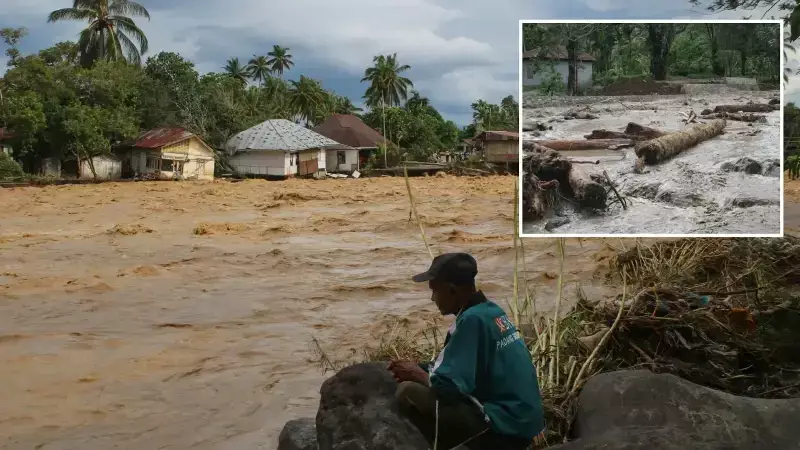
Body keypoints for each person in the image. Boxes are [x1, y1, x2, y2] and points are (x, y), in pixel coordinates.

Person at [389, 252, 544, 450]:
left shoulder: (471, 321)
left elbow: (449, 388)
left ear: (451, 290)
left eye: (434, 291)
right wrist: (420, 366)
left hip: (507, 428)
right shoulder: (490, 311)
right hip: (526, 423)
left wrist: (414, 373)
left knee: (409, 393)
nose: (432, 298)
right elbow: (461, 366)